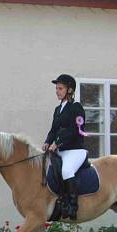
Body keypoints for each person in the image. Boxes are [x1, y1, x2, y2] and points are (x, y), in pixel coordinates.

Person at [42, 74, 87, 220]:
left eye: (60, 88)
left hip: (75, 150)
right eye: (56, 88)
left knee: (67, 170)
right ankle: (58, 202)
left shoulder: (76, 107)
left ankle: (72, 206)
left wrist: (57, 143)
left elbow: (75, 130)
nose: (57, 91)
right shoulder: (57, 109)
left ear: (69, 90)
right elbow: (53, 129)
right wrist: (48, 141)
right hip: (61, 150)